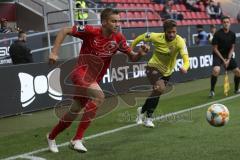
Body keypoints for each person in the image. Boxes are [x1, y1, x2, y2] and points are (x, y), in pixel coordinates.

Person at [46, 8, 148, 153]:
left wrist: (140, 54)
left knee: (73, 111)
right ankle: (77, 139)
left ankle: (51, 136)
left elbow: (132, 57)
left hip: (94, 79)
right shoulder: (91, 31)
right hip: (81, 73)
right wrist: (54, 52)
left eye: (118, 21)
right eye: (114, 21)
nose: (117, 24)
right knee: (99, 96)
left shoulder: (118, 39)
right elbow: (64, 31)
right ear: (104, 22)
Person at [132, 19, 190, 128]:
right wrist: (131, 51)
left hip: (167, 72)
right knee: (160, 89)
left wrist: (185, 67)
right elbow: (141, 37)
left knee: (157, 92)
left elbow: (186, 59)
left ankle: (142, 111)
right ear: (164, 31)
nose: (172, 34)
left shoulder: (180, 41)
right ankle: (148, 119)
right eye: (169, 32)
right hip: (153, 67)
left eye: (174, 32)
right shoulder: (155, 36)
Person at [209, 16, 240, 97]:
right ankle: (212, 90)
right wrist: (223, 60)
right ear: (222, 23)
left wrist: (229, 59)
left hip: (227, 55)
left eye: (227, 22)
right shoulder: (217, 34)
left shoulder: (232, 34)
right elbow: (215, 49)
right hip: (218, 55)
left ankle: (236, 89)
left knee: (238, 72)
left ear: (230, 23)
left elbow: (232, 47)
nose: (226, 24)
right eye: (224, 22)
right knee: (216, 70)